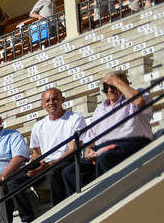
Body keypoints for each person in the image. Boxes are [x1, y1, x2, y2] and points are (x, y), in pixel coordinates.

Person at [56, 71, 154, 201]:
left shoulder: (138, 95)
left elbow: (140, 102)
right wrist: (89, 149)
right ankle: (85, 204)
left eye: (113, 86)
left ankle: (109, 200)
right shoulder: (100, 109)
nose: (110, 90)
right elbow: (91, 138)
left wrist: (117, 82)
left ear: (125, 84)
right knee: (69, 171)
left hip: (132, 143)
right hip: (104, 148)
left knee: (105, 158)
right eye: (106, 87)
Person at [27, 88, 87, 208]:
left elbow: (73, 149)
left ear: (62, 100)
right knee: (13, 181)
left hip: (66, 160)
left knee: (52, 172)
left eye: (55, 99)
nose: (51, 103)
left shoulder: (75, 118)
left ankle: (59, 211)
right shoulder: (38, 125)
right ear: (43, 105)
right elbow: (36, 153)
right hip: (46, 163)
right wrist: (33, 163)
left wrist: (50, 165)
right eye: (47, 100)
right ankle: (28, 219)